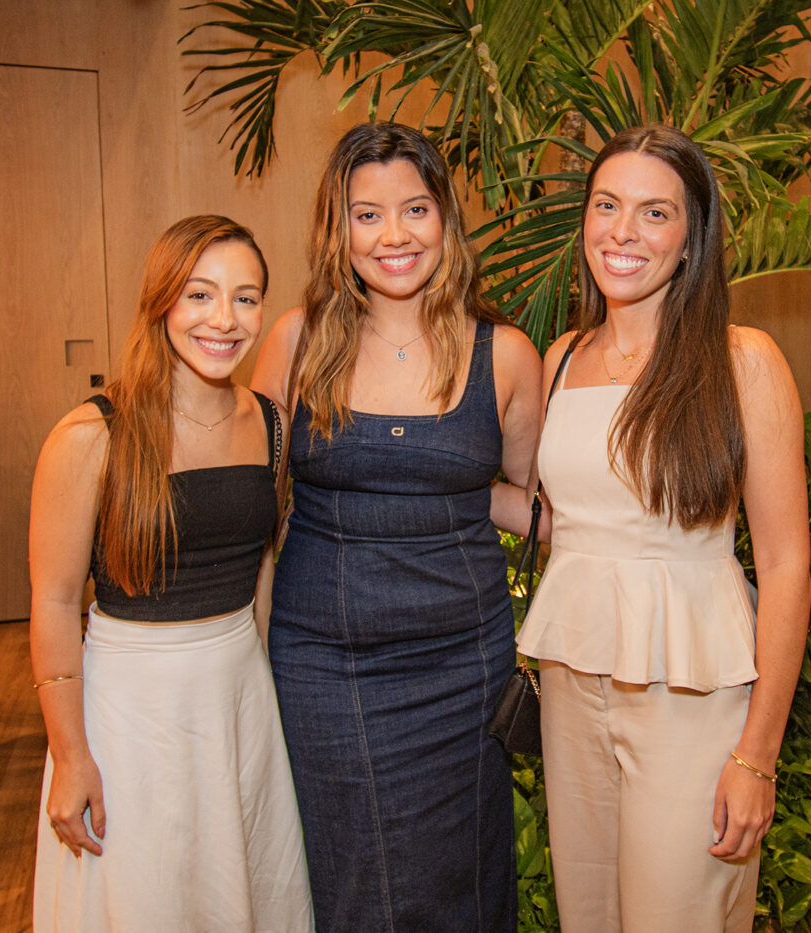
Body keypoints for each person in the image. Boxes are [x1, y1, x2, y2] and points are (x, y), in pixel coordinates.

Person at [515, 126, 811, 932]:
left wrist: (757, 755)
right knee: (589, 911)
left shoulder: (743, 360)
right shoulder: (563, 356)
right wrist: (421, 485)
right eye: (607, 205)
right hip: (572, 686)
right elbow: (563, 520)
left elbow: (785, 566)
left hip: (693, 696)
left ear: (691, 239)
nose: (623, 231)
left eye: (655, 213)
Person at [251, 122, 542, 932]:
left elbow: (525, 498)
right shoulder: (296, 340)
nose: (394, 235)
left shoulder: (507, 354)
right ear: (336, 229)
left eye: (415, 208)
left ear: (446, 217)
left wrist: (637, 529)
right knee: (353, 871)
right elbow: (256, 506)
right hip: (324, 660)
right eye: (367, 214)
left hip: (464, 663)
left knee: (464, 866)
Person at [29, 216, 312, 931]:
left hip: (238, 694)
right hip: (131, 707)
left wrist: (264, 687)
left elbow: (262, 567)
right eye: (200, 295)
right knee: (147, 896)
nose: (225, 319)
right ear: (161, 303)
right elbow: (56, 602)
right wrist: (70, 756)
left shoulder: (272, 425)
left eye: (246, 298)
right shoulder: (91, 435)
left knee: (240, 884)